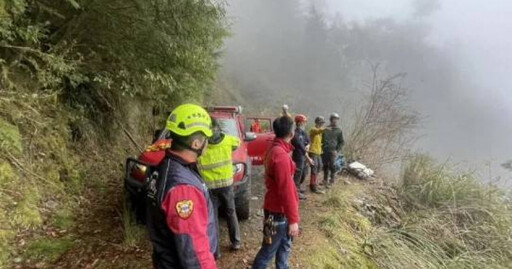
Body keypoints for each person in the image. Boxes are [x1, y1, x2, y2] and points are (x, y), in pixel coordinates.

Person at [145, 104, 218, 269]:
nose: (208, 143)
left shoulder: (167, 166)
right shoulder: (183, 188)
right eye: (206, 138)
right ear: (196, 144)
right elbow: (193, 250)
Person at [252, 116, 301, 269]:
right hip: (278, 213)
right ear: (291, 133)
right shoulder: (281, 156)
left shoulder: (274, 149)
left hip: (275, 210)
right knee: (268, 251)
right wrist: (293, 220)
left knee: (284, 248)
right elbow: (285, 190)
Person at [198, 119, 242, 252]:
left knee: (213, 217)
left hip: (210, 187)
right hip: (226, 185)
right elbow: (237, 143)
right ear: (218, 128)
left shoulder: (202, 145)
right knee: (230, 212)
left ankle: (215, 249)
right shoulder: (228, 140)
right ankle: (236, 242)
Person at [291, 114, 311, 200]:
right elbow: (300, 146)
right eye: (304, 122)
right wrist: (308, 157)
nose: (305, 124)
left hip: (303, 156)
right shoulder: (295, 134)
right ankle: (295, 191)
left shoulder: (303, 132)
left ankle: (297, 187)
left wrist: (308, 145)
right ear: (299, 123)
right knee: (298, 173)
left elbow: (308, 140)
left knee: (304, 172)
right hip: (298, 156)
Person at [322, 112, 344, 188]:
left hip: (333, 151)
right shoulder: (325, 129)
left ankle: (332, 181)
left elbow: (341, 142)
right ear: (331, 120)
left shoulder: (339, 130)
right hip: (324, 150)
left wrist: (337, 150)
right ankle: (325, 180)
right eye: (334, 119)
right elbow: (321, 139)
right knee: (325, 165)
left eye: (336, 119)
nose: (335, 121)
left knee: (332, 165)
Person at [308, 116, 326, 193]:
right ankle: (313, 186)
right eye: (321, 122)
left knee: (320, 166)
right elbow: (317, 131)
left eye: (322, 123)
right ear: (317, 122)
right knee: (314, 168)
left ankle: (314, 182)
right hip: (313, 151)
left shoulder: (320, 133)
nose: (322, 124)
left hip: (318, 152)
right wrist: (325, 129)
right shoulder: (313, 129)